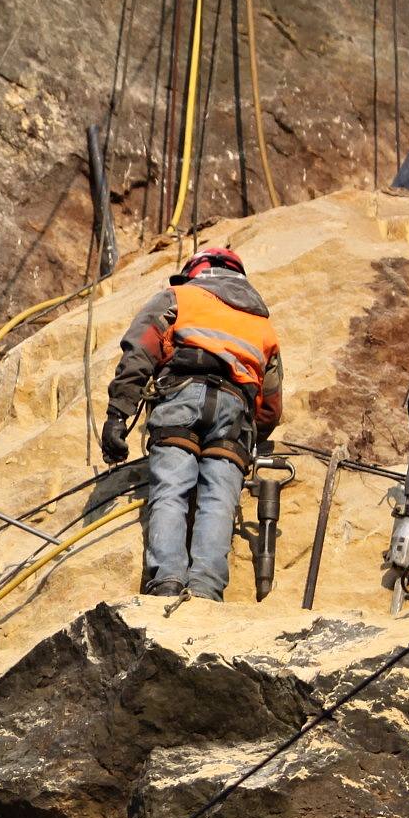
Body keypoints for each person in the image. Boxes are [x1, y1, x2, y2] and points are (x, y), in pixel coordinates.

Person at [99, 247, 284, 601]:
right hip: (235, 415)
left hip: (180, 398)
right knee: (218, 501)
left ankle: (167, 581)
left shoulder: (179, 297)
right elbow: (270, 407)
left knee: (171, 491)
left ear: (196, 271)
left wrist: (117, 414)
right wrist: (249, 441)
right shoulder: (263, 325)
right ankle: (205, 589)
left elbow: (140, 350)